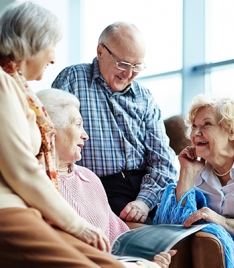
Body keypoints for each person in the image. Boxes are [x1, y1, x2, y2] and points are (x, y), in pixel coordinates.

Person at [0, 2, 127, 267]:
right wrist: (77, 225)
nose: (54, 57)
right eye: (52, 45)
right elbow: (21, 169)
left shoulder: (17, 87)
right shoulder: (2, 83)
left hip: (26, 209)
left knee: (113, 264)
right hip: (7, 209)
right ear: (32, 42)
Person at [51, 21, 178, 224]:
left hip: (145, 189)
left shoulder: (144, 97)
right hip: (95, 188)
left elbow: (164, 161)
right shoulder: (73, 79)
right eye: (123, 64)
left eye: (136, 66)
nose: (128, 74)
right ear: (100, 51)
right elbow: (53, 140)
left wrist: (144, 202)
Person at [36, 88, 177, 268]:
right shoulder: (34, 184)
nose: (85, 135)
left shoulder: (89, 178)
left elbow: (117, 235)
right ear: (51, 129)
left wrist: (146, 256)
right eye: (78, 124)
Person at [154, 94, 234, 268]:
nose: (196, 133)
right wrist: (187, 173)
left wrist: (221, 221)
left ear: (232, 130)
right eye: (194, 126)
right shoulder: (197, 171)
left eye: (206, 124)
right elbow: (172, 229)